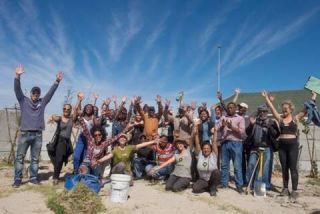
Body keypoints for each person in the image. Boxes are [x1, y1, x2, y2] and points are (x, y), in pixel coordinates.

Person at [13, 64, 63, 187]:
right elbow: (17, 90)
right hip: (25, 134)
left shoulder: (42, 102)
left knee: (35, 159)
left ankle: (34, 177)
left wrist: (57, 81)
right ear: (30, 94)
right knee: (20, 157)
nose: (36, 95)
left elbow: (50, 93)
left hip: (37, 135)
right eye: (34, 93)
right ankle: (18, 179)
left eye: (37, 93)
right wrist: (17, 76)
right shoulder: (23, 100)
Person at [262, 91, 312, 200]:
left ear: (291, 109)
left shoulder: (296, 118)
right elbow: (272, 109)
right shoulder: (280, 119)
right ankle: (285, 189)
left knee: (293, 168)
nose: (283, 109)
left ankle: (294, 190)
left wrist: (312, 98)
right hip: (282, 146)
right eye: (283, 108)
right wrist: (266, 98)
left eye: (286, 108)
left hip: (293, 146)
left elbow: (306, 109)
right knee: (284, 168)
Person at [92, 133, 160, 181]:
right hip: (116, 170)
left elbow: (141, 145)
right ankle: (116, 177)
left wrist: (153, 141)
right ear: (118, 140)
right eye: (121, 138)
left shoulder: (129, 148)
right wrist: (98, 161)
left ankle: (125, 177)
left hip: (127, 171)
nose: (122, 139)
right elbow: (108, 156)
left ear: (126, 140)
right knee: (121, 165)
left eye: (124, 138)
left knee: (130, 183)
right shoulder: (115, 149)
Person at [245, 104, 280, 191]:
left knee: (265, 167)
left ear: (267, 112)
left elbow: (276, 134)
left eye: (264, 111)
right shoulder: (254, 121)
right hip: (255, 147)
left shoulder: (272, 122)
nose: (262, 113)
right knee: (251, 165)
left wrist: (270, 127)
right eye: (260, 111)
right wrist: (251, 125)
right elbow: (247, 132)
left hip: (267, 148)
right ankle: (250, 184)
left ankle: (265, 186)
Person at [215, 102, 245, 194]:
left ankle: (239, 186)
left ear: (235, 108)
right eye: (228, 108)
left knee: (237, 166)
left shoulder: (240, 118)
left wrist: (231, 127)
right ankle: (224, 183)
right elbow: (216, 128)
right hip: (225, 143)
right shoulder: (223, 118)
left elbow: (242, 132)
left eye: (231, 107)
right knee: (224, 165)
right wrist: (222, 126)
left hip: (236, 143)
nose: (229, 109)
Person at [47, 104, 75, 185]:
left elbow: (77, 110)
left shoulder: (72, 118)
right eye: (64, 109)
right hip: (59, 140)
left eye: (67, 109)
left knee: (61, 159)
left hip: (67, 142)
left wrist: (79, 100)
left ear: (70, 110)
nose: (66, 110)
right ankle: (55, 178)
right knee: (59, 159)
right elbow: (55, 117)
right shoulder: (60, 118)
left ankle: (56, 175)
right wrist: (52, 117)